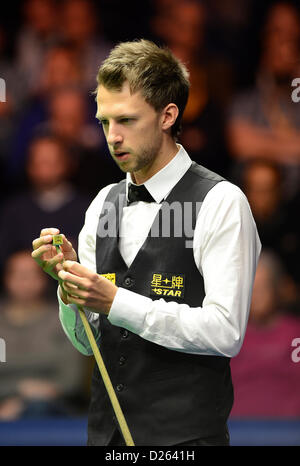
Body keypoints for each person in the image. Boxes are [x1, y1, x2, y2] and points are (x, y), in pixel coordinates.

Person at [32, 39, 261, 446]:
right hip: (106, 438)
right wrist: (71, 288)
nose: (112, 137)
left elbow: (226, 332)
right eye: (104, 122)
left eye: (127, 120)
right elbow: (89, 345)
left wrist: (115, 300)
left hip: (186, 441)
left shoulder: (222, 201)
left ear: (167, 115)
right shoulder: (102, 203)